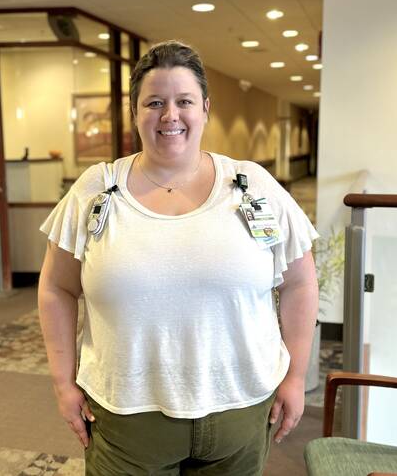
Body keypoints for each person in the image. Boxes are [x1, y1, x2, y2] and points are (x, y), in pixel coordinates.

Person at [38, 40, 319, 475]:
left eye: (183, 101)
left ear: (205, 107)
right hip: (128, 416)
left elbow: (299, 283)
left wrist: (296, 377)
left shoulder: (252, 185)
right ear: (135, 112)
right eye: (154, 102)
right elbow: (56, 287)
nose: (170, 115)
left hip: (241, 409)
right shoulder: (96, 190)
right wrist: (62, 382)